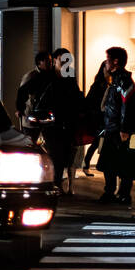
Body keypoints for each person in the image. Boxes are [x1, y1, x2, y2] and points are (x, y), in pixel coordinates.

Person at [96, 46, 135, 205]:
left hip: (117, 130)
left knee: (120, 163)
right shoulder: (117, 81)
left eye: (107, 59)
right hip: (112, 128)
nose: (105, 63)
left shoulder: (123, 81)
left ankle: (121, 194)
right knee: (112, 163)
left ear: (115, 61)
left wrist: (124, 128)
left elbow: (127, 106)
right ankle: (114, 193)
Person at [43, 48, 83, 194]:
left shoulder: (70, 76)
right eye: (62, 59)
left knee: (65, 155)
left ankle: (58, 184)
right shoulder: (48, 77)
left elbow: (75, 97)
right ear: (54, 60)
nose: (66, 63)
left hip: (67, 122)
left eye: (68, 59)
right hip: (52, 123)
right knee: (55, 154)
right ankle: (55, 184)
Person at [15, 51, 56, 140]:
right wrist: (19, 109)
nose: (50, 63)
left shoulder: (50, 76)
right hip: (31, 119)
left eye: (51, 60)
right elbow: (21, 93)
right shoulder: (31, 76)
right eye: (47, 61)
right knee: (31, 144)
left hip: (44, 119)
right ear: (39, 63)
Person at [82, 59, 110, 176]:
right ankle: (87, 164)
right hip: (99, 119)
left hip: (103, 118)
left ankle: (87, 164)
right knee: (97, 142)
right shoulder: (99, 84)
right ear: (103, 69)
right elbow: (89, 100)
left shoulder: (109, 83)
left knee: (97, 142)